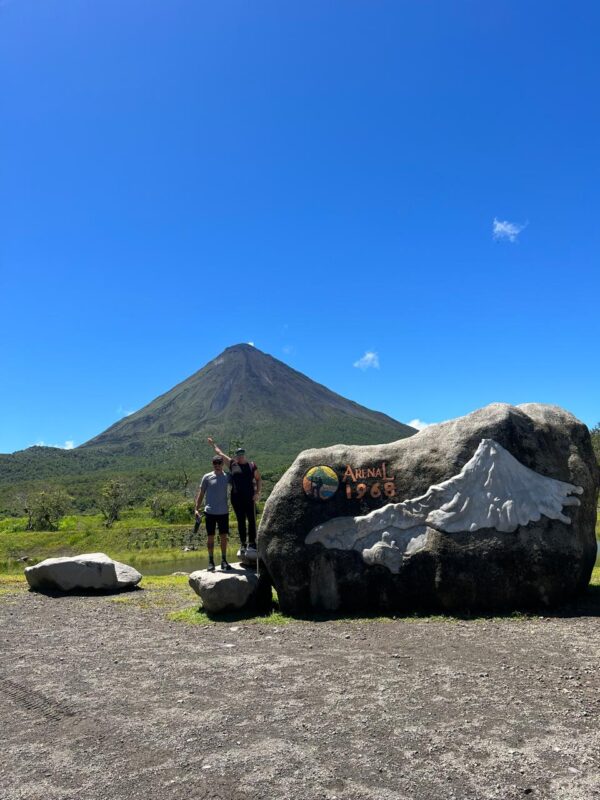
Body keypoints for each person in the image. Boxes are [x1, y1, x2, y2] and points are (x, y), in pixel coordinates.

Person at [207, 438, 262, 555]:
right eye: (238, 454)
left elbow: (258, 479)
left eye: (242, 454)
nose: (240, 456)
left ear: (245, 455)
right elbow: (220, 453)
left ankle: (252, 543)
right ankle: (243, 543)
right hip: (236, 499)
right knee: (241, 521)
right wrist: (213, 444)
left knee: (252, 520)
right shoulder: (232, 463)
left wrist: (258, 493)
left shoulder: (252, 466)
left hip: (250, 498)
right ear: (236, 456)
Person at [195, 455, 231, 572]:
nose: (217, 465)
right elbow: (201, 494)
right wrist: (196, 509)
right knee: (210, 537)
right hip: (210, 512)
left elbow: (239, 483)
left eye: (219, 463)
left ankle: (224, 560)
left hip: (223, 512)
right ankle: (211, 562)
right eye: (215, 463)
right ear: (213, 464)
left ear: (222, 464)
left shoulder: (227, 477)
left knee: (223, 537)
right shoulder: (207, 477)